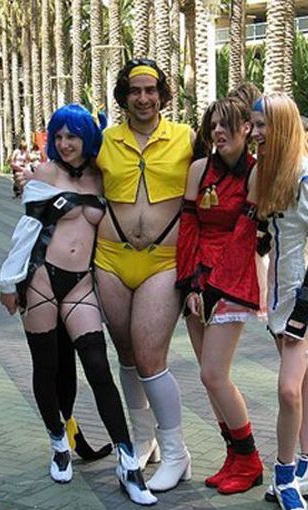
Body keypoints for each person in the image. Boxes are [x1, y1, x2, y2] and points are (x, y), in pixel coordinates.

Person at [0, 104, 156, 506]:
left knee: (99, 367)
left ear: (87, 136)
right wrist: (9, 282)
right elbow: (26, 232)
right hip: (41, 279)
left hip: (81, 284)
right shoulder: (45, 174)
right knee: (46, 366)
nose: (65, 143)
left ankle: (128, 462)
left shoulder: (101, 176)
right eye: (59, 136)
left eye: (73, 135)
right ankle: (58, 442)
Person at [93, 59, 194, 492]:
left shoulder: (187, 138)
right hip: (110, 259)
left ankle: (176, 453)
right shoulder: (105, 140)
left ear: (162, 94)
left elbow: (223, 175)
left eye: (151, 90)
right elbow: (76, 177)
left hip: (163, 262)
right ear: (124, 96)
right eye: (135, 91)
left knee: (151, 357)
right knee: (127, 355)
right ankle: (143, 440)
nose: (143, 98)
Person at [176, 98, 263, 494]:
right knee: (210, 378)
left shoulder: (256, 173)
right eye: (213, 125)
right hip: (197, 279)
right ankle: (233, 456)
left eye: (226, 124)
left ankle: (250, 460)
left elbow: (246, 236)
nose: (218, 132)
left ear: (246, 127)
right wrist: (192, 283)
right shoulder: (199, 170)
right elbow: (189, 229)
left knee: (213, 374)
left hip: (233, 279)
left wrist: (213, 285)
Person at [252, 94, 308, 509]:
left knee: (288, 390)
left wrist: (301, 312)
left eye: (261, 125)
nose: (255, 133)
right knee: (303, 383)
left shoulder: (307, 176)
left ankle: (285, 476)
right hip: (279, 299)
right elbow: (268, 237)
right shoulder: (272, 172)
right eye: (253, 125)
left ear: (281, 126)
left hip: (302, 301)